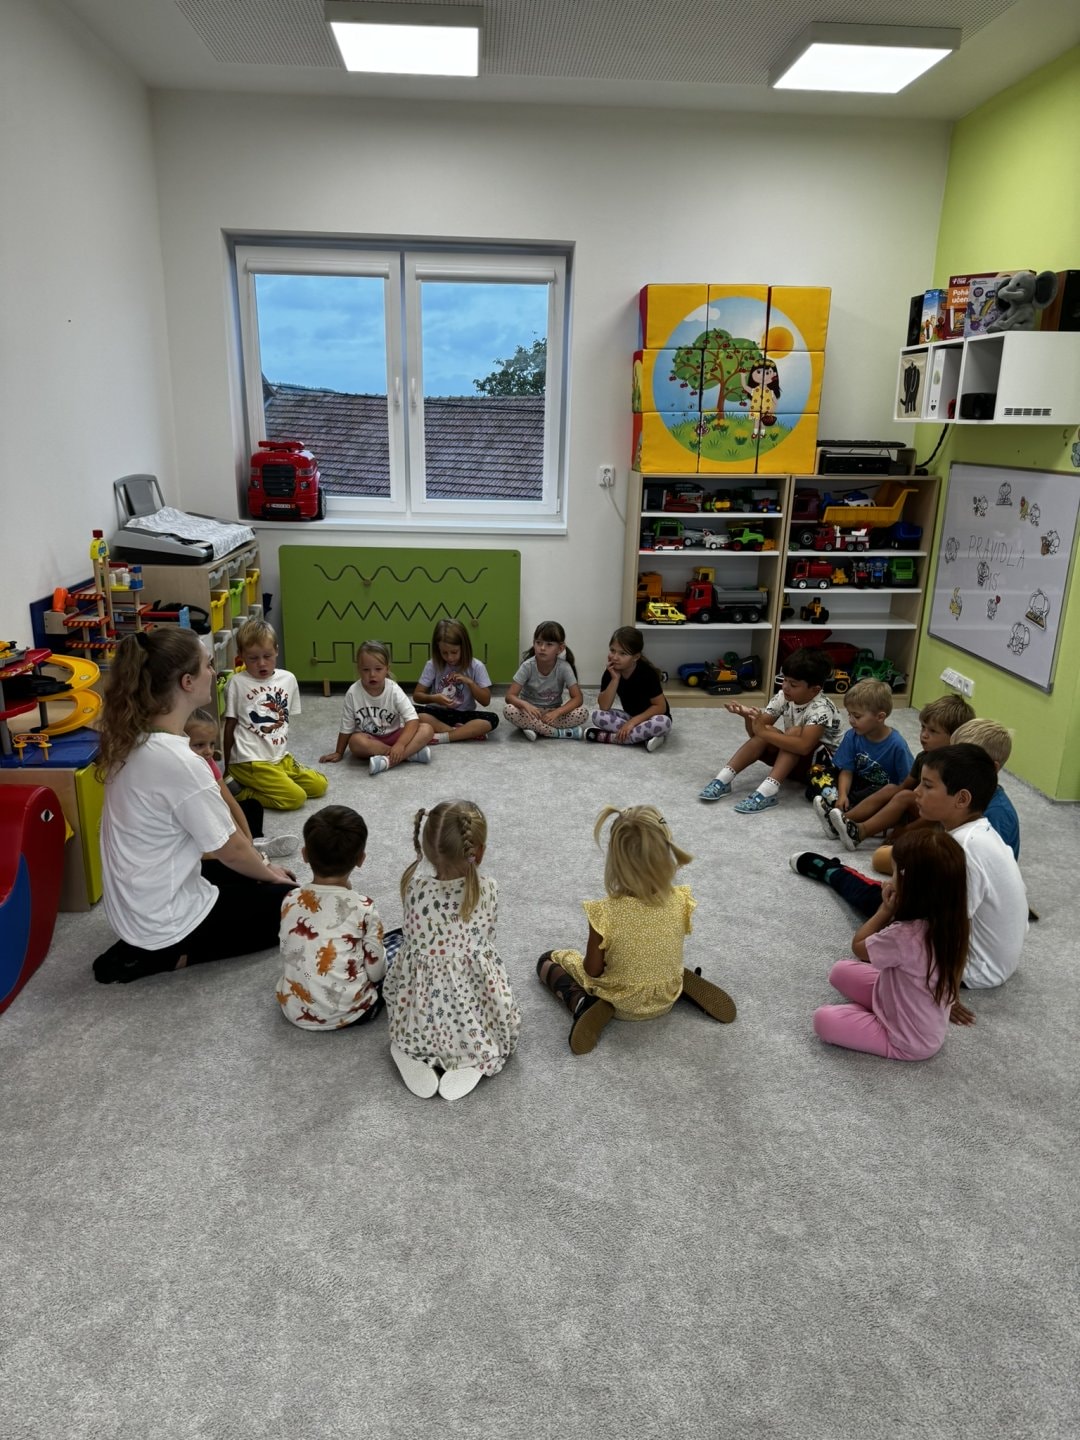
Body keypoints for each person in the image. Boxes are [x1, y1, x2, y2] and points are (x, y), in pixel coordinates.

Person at [93, 630, 295, 984]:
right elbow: (231, 849)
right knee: (293, 900)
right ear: (187, 682)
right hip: (163, 926)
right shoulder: (181, 761)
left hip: (138, 908)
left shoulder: (134, 737)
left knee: (254, 872)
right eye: (208, 665)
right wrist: (270, 873)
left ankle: (153, 944)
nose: (214, 673)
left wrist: (260, 867)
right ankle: (174, 954)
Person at [791, 744, 1028, 1022]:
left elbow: (953, 926)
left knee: (882, 899)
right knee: (895, 892)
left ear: (961, 799)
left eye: (927, 786)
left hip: (974, 970)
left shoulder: (962, 850)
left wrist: (945, 990)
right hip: (999, 963)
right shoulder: (981, 832)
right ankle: (836, 873)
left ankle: (831, 871)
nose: (916, 792)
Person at [536, 805, 736, 1054]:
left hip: (619, 1000)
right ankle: (676, 981)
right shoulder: (680, 900)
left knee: (547, 960)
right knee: (657, 958)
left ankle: (583, 1003)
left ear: (616, 862)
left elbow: (592, 970)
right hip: (666, 995)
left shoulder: (604, 912)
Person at [384, 801, 520, 1101]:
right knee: (481, 995)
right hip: (470, 999)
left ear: (427, 849)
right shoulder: (488, 888)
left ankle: (409, 1049)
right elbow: (486, 939)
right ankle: (472, 1056)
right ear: (478, 851)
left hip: (422, 1006)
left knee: (397, 950)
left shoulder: (414, 888)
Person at [812, 828, 969, 1061]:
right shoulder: (955, 923)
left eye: (894, 873)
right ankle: (875, 1011)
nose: (889, 880)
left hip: (908, 1041)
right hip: (902, 1003)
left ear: (910, 884)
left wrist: (884, 910)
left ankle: (872, 1017)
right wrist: (951, 999)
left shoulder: (905, 935)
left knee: (823, 1019)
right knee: (840, 971)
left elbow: (858, 946)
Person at [276, 805, 395, 1030]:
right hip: (353, 1013)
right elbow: (376, 972)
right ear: (361, 859)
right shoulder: (364, 907)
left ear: (304, 855)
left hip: (293, 1008)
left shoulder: (290, 898)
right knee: (396, 949)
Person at [815, 692, 973, 856]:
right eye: (923, 727)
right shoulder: (924, 757)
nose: (924, 735)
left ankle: (860, 832)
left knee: (904, 796)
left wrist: (906, 830)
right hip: (921, 809)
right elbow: (906, 786)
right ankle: (841, 821)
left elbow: (940, 815)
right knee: (892, 788)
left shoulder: (955, 769)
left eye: (932, 731)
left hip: (939, 822)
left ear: (955, 737)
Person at [699, 646, 841, 813]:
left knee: (794, 733)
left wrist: (763, 730)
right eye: (784, 680)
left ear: (815, 689)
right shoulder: (783, 696)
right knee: (768, 730)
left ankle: (768, 792)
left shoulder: (821, 708)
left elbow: (804, 746)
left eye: (793, 684)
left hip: (822, 771)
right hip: (796, 762)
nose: (785, 687)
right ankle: (723, 779)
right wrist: (749, 718)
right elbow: (757, 734)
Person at [224, 619, 328, 811]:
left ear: (276, 651)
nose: (262, 663)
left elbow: (284, 720)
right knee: (296, 798)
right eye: (253, 658)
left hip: (279, 757)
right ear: (241, 655)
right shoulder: (236, 683)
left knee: (320, 785)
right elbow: (230, 725)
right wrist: (227, 766)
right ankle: (242, 794)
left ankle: (274, 779)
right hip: (250, 760)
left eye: (267, 656)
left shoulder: (288, 679)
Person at [185, 708, 298, 860]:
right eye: (199, 745)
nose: (208, 751)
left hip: (216, 816)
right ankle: (244, 850)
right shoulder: (183, 772)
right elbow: (208, 816)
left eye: (212, 744)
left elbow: (229, 801)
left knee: (253, 806)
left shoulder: (209, 762)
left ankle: (255, 843)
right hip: (201, 832)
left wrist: (248, 840)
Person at [320, 640, 434, 776]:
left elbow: (412, 720)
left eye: (378, 669)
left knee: (427, 729)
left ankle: (388, 760)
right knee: (355, 742)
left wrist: (400, 745)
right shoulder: (353, 692)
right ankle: (409, 754)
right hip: (370, 740)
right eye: (366, 670)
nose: (372, 674)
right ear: (359, 670)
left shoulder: (394, 690)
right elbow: (346, 727)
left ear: (387, 669)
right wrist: (339, 752)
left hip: (394, 736)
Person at [815, 678, 913, 819]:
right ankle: (841, 803)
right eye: (849, 714)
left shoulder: (897, 744)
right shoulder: (852, 736)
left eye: (857, 716)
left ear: (880, 717)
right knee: (817, 772)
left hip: (878, 790)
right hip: (856, 782)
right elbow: (847, 771)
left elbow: (906, 783)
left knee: (881, 793)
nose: (851, 720)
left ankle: (843, 811)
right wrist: (842, 795)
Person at [411, 619, 500, 743]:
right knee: (410, 710)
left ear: (464, 647)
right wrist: (434, 698)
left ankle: (442, 736)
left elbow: (486, 701)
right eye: (444, 653)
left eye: (454, 652)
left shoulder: (476, 666)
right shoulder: (432, 665)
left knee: (492, 719)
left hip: (464, 714)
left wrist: (470, 682)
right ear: (437, 650)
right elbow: (417, 696)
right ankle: (462, 733)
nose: (450, 657)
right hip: (438, 713)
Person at [585, 626, 672, 752]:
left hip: (652, 717)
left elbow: (660, 707)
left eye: (622, 653)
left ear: (636, 657)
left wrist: (632, 723)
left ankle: (612, 738)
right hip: (630, 716)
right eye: (612, 650)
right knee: (597, 715)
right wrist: (615, 679)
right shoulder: (611, 672)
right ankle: (644, 737)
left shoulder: (647, 673)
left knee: (663, 723)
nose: (615, 657)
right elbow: (604, 706)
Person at [503, 619, 589, 740]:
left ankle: (534, 728)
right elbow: (510, 696)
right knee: (509, 710)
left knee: (583, 713)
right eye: (538, 643)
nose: (542, 648)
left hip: (553, 713)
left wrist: (557, 712)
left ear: (560, 648)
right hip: (530, 712)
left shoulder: (564, 667)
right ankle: (556, 732)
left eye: (549, 644)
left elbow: (578, 698)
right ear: (534, 643)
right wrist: (525, 705)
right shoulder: (528, 666)